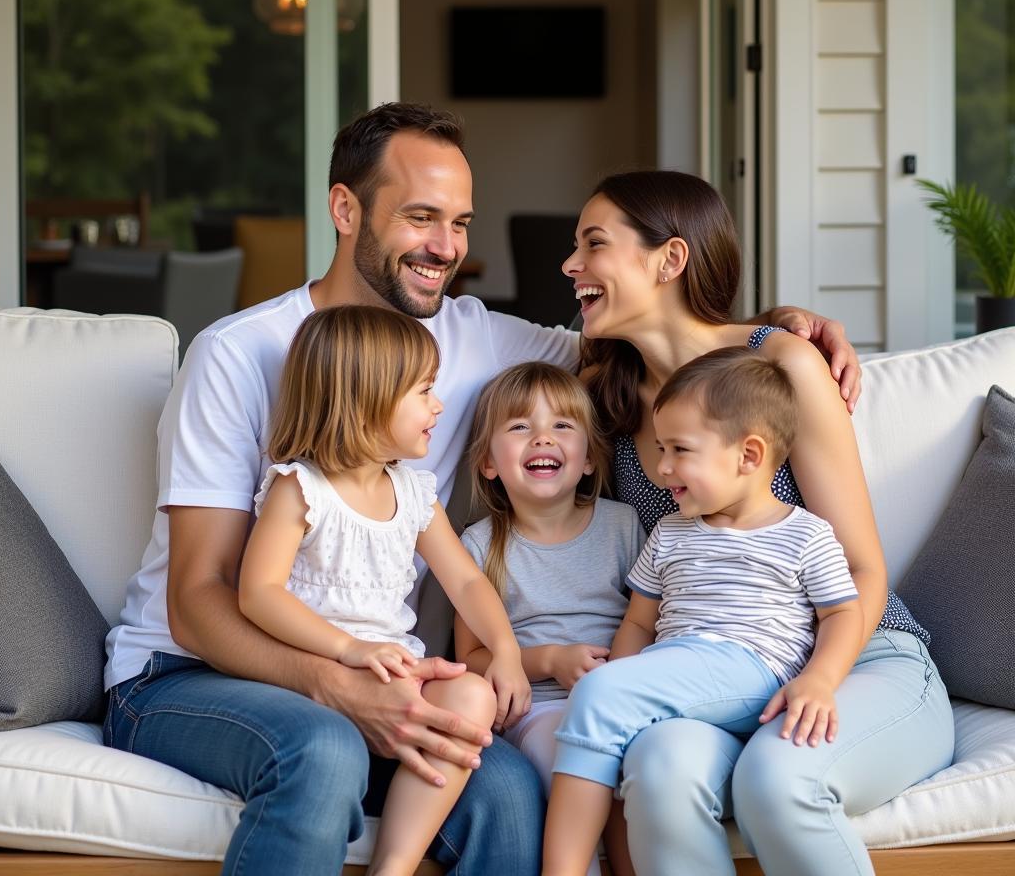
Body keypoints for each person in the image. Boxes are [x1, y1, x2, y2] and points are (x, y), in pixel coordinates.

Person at [102, 102, 862, 876]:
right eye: (421, 217)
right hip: (187, 675)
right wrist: (341, 687)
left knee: (509, 794)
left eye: (460, 223)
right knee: (324, 749)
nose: (446, 248)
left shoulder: (476, 336)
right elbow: (197, 601)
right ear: (344, 209)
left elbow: (649, 329)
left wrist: (775, 334)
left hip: (388, 674)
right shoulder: (239, 355)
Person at [562, 170, 954, 876]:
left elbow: (864, 569)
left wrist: (820, 680)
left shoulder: (781, 364)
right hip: (716, 675)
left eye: (593, 244)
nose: (570, 265)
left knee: (779, 778)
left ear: (670, 260)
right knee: (658, 769)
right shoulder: (604, 398)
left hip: (859, 658)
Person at [542, 346, 863, 875]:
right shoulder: (670, 533)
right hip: (685, 673)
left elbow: (842, 613)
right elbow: (640, 622)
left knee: (599, 695)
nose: (662, 467)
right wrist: (623, 676)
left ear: (750, 455)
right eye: (660, 447)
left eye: (680, 451)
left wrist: (821, 679)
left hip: (758, 669)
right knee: (633, 727)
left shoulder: (805, 535)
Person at [239, 305, 530, 876]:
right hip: (311, 677)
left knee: (472, 698)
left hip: (394, 675)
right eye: (423, 392)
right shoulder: (300, 489)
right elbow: (258, 593)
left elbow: (467, 580)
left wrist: (507, 651)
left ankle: (393, 865)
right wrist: (349, 651)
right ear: (364, 399)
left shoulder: (414, 492)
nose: (439, 407)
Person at [455, 361, 647, 876]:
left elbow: (655, 619)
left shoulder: (623, 526)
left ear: (587, 458)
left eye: (562, 425)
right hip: (537, 710)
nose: (543, 438)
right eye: (520, 427)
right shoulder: (478, 544)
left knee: (636, 772)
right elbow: (470, 660)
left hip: (621, 699)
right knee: (569, 754)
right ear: (489, 463)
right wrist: (550, 660)